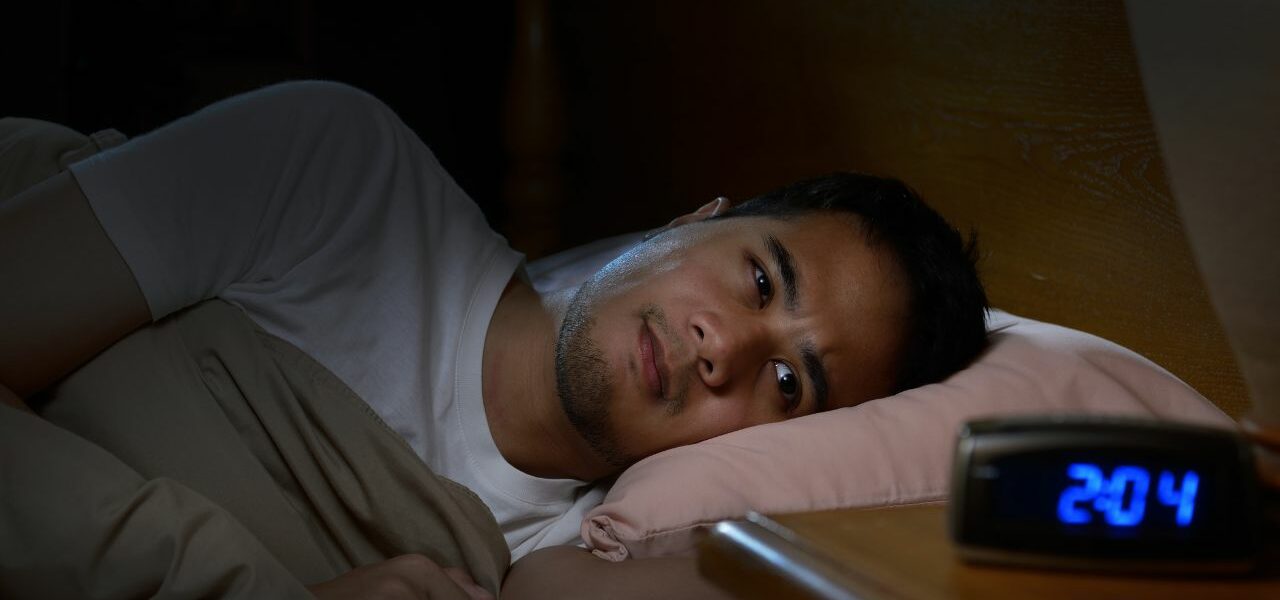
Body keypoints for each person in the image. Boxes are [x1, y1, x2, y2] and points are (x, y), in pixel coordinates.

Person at [0, 81, 987, 598]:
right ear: (693, 220)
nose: (719, 345)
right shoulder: (342, 179)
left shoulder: (549, 558)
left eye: (787, 382)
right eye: (760, 280)